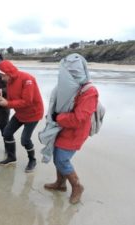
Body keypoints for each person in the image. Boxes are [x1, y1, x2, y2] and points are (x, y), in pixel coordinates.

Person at [42, 53, 98, 204]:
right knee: (57, 156)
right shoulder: (69, 87)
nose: (70, 75)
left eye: (73, 72)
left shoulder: (89, 92)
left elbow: (79, 118)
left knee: (62, 159)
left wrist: (57, 117)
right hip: (63, 128)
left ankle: (77, 186)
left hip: (76, 131)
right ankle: (60, 184)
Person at [0, 60, 44, 173]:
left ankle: (32, 160)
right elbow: (13, 97)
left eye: (1, 76)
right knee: (6, 133)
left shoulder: (27, 79)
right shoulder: (10, 80)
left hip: (33, 113)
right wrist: (1, 97)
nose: (1, 79)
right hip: (20, 112)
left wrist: (7, 104)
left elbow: (27, 101)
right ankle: (11, 157)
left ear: (7, 73)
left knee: (25, 140)